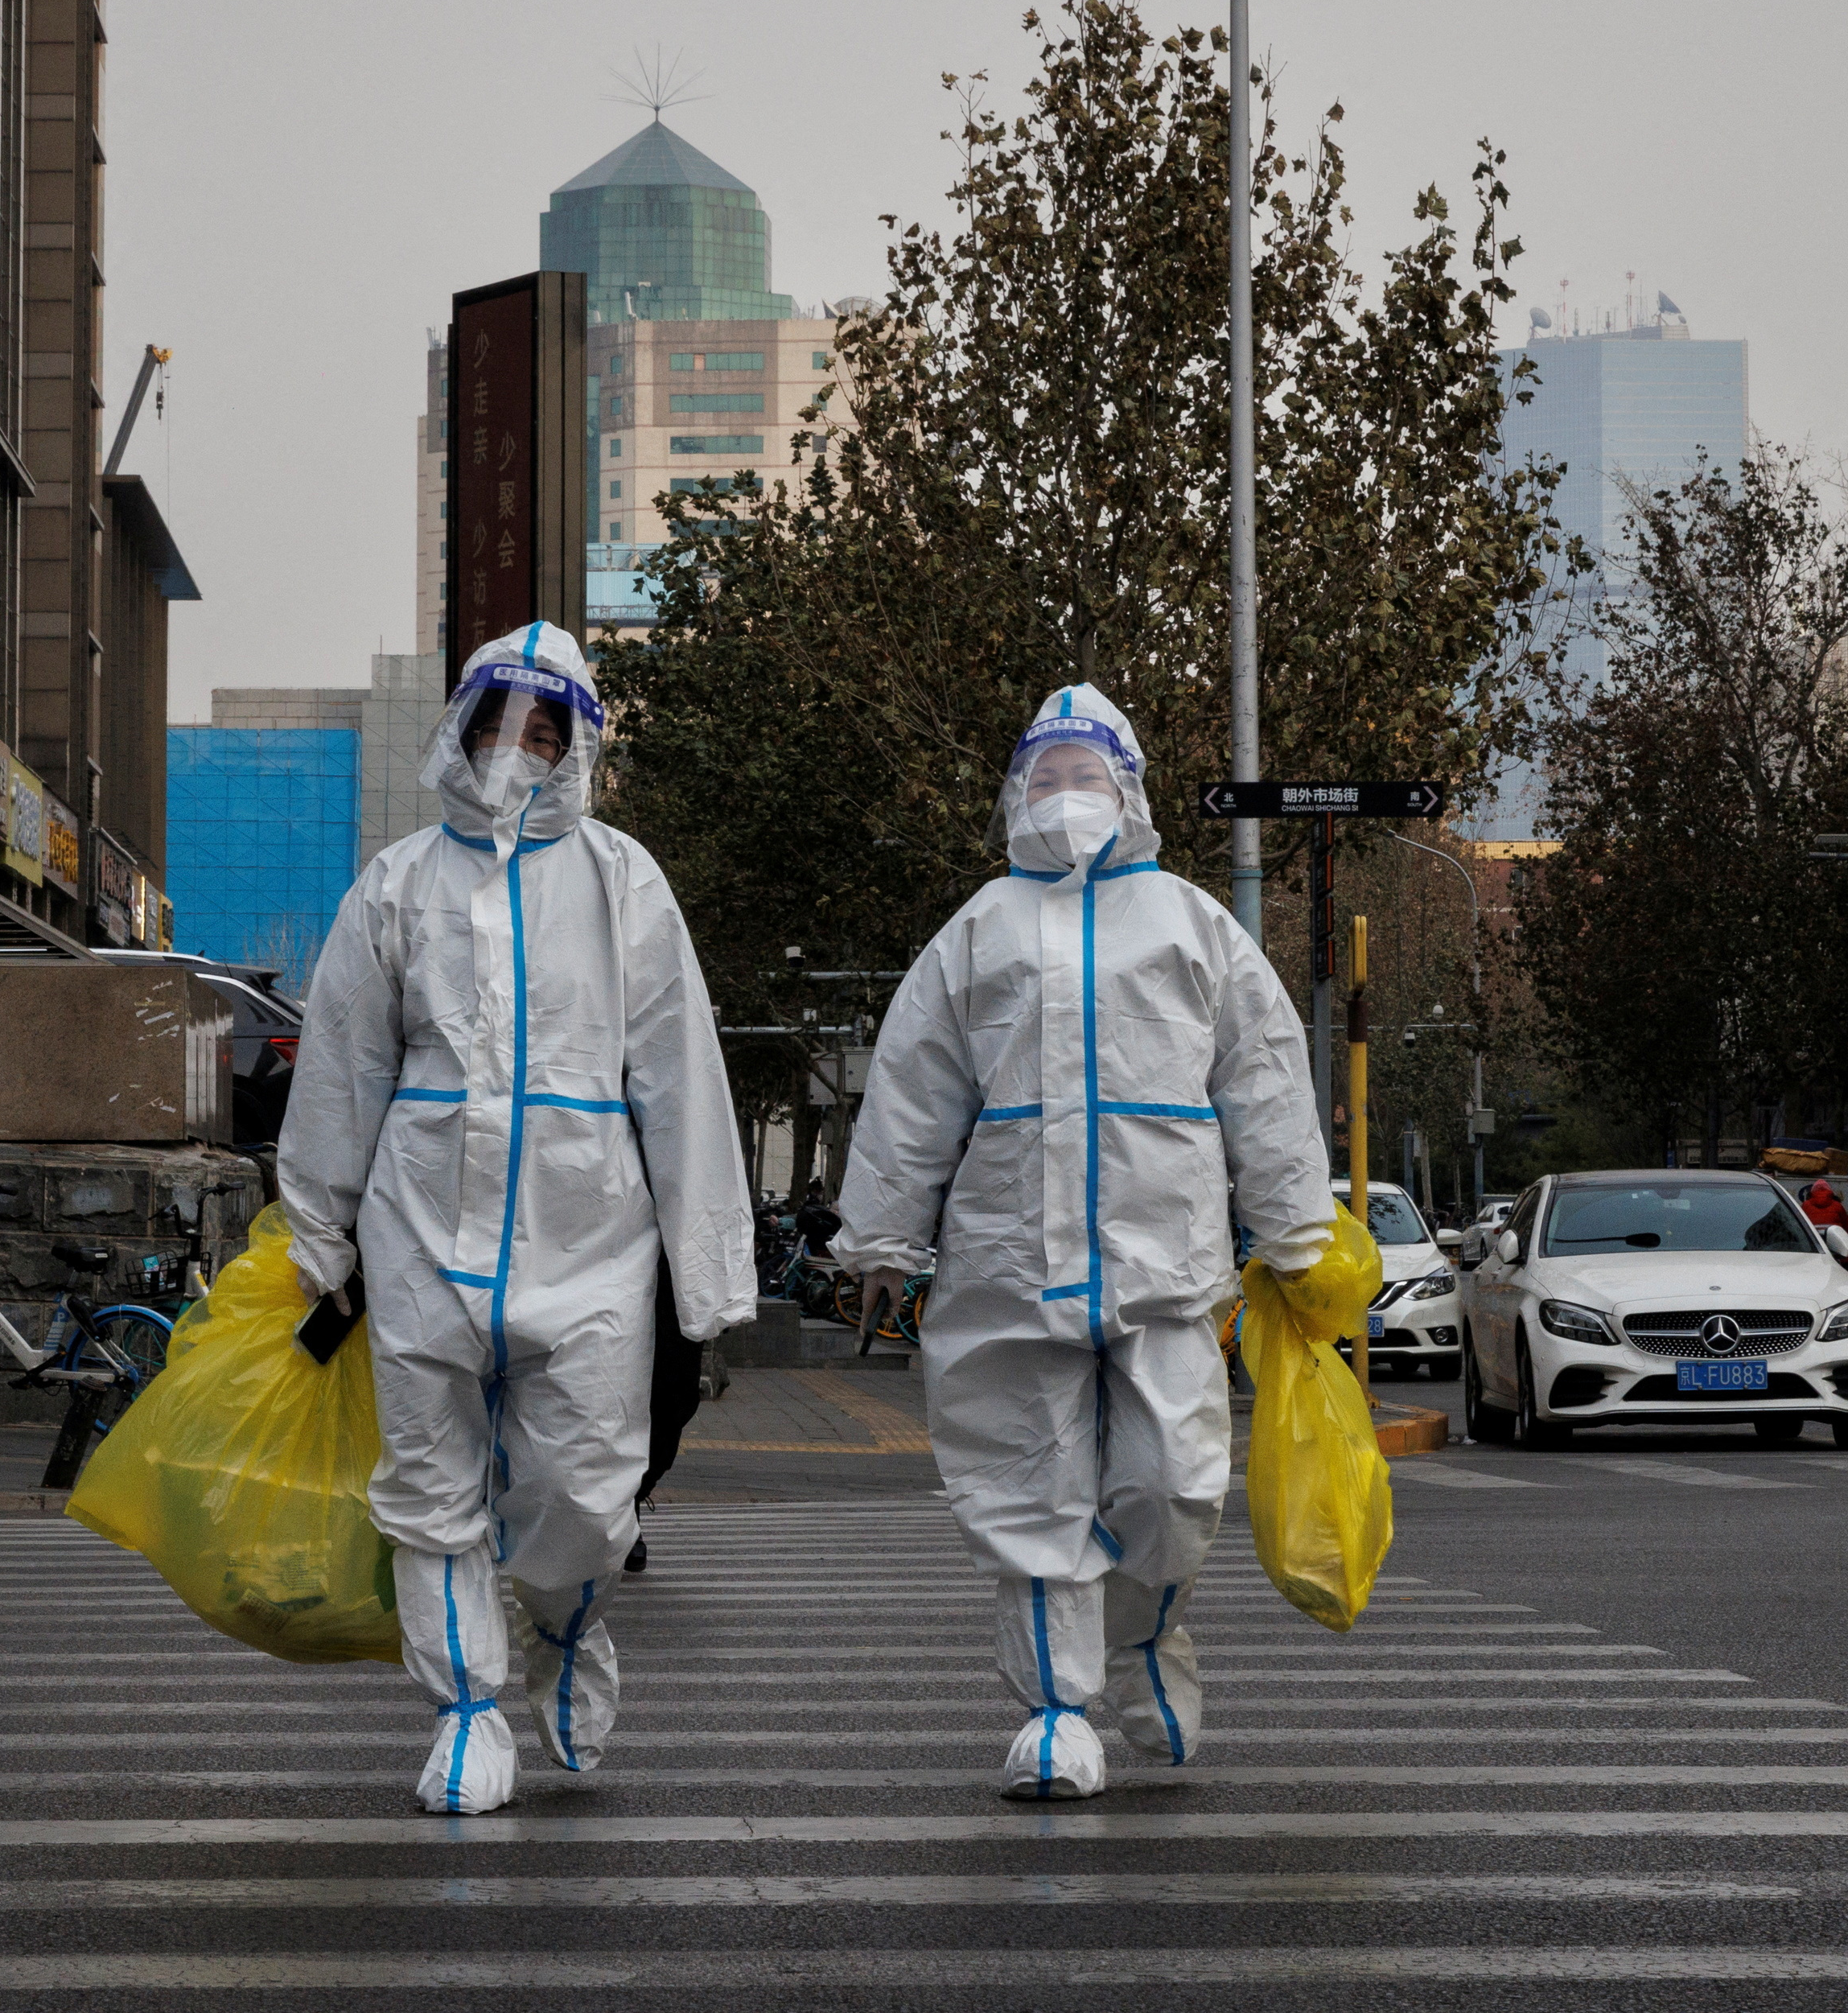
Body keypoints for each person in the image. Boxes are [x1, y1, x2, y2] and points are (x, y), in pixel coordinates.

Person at [275, 622, 753, 1814]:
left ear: (579, 746)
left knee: (590, 1496)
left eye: (547, 732)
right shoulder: (397, 883)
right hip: (422, 1232)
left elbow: (681, 1079)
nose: (518, 749)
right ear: (463, 728)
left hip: (588, 1236)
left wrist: (707, 1271)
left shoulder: (623, 880)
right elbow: (341, 1065)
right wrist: (320, 1230)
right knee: (428, 1496)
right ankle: (468, 1712)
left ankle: (563, 1617)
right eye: (500, 724)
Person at [833, 685, 1327, 1801]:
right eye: (1045, 776)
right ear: (1016, 796)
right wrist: (880, 1236)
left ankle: (1145, 1637)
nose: (1066, 795)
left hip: (1168, 1266)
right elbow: (913, 1091)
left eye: (1085, 775)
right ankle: (1057, 1715)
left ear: (1130, 792)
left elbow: (1264, 1079)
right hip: (1009, 1271)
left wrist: (1300, 1232)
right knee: (1029, 1492)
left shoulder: (1194, 925)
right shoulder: (977, 932)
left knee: (1173, 1490)